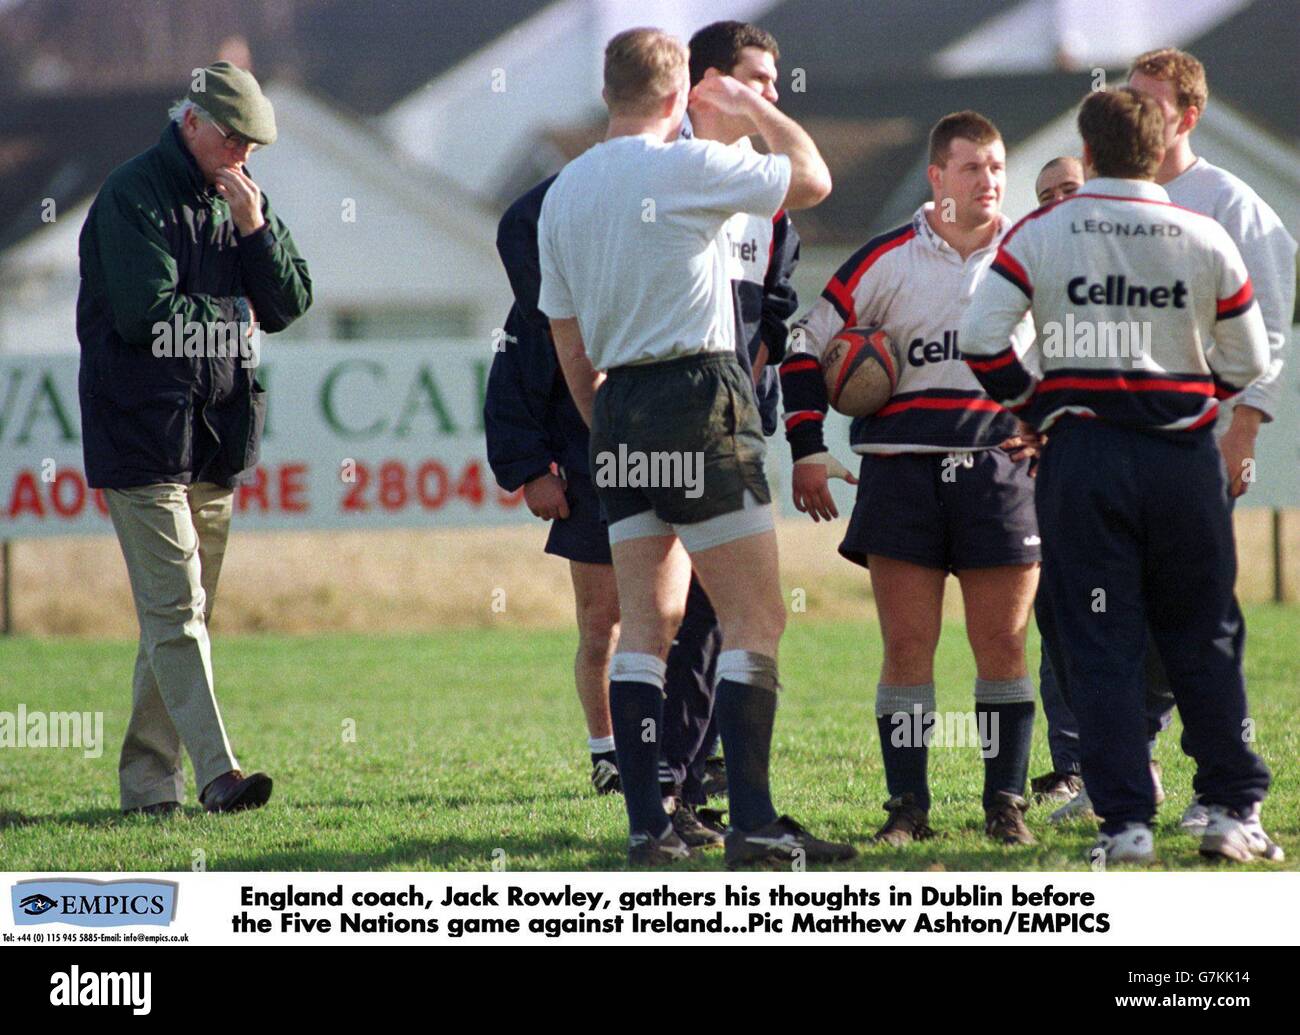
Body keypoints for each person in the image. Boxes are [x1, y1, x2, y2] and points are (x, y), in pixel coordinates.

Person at [537, 27, 852, 868]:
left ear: (607, 92)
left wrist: (604, 417)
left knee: (646, 625)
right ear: (681, 96)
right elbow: (814, 179)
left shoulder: (563, 193)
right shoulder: (683, 166)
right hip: (700, 389)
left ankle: (649, 826)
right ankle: (751, 819)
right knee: (757, 616)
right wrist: (748, 103)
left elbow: (566, 340)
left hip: (618, 405)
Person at [961, 86, 1281, 864]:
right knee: (1203, 632)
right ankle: (1232, 810)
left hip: (1085, 457)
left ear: (1091, 152)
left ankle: (1124, 824)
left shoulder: (1044, 228)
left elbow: (981, 337)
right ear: (1159, 146)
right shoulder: (1201, 231)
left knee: (1098, 639)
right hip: (1181, 459)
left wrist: (1034, 404)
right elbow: (1249, 360)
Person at [1040, 49, 1298, 828]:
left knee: (1184, 619)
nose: (1136, 117)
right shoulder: (1107, 199)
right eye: (1129, 100)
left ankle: (1217, 797)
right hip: (1099, 451)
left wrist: (1239, 427)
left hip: (1192, 445)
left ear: (1187, 116)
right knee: (1091, 613)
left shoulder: (1231, 204)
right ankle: (1127, 774)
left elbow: (1268, 334)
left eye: (1150, 103)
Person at [781, 112, 1041, 847]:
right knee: (907, 646)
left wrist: (1049, 424)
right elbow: (804, 344)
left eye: (995, 166)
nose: (988, 180)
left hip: (997, 469)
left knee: (1006, 643)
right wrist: (807, 445)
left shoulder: (1031, 252)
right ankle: (907, 807)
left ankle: (1005, 803)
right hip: (899, 473)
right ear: (936, 177)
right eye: (971, 167)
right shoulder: (886, 257)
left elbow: (1068, 346)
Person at [76, 61, 312, 815]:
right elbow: (148, 317)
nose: (244, 153)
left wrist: (255, 229)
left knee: (179, 619)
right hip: (140, 434)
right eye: (234, 136)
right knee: (178, 611)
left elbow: (292, 302)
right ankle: (219, 775)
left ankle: (148, 787)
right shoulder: (130, 194)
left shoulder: (240, 199)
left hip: (214, 437)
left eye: (254, 143)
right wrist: (232, 319)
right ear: (192, 123)